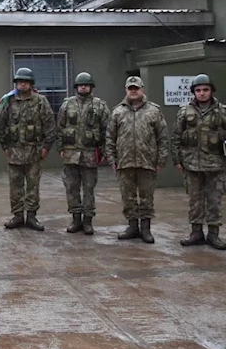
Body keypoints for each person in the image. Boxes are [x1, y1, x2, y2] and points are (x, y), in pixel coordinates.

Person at [106, 76, 168, 244]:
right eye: (130, 88)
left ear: (142, 89)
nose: (133, 91)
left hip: (147, 162)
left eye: (136, 88)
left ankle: (146, 229)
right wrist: (112, 160)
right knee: (128, 197)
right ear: (126, 90)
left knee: (147, 198)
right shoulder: (117, 112)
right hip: (124, 163)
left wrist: (161, 161)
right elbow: (110, 138)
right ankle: (132, 227)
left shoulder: (154, 111)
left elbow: (163, 137)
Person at [171, 74, 226, 250]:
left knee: (214, 200)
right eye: (198, 90)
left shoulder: (223, 112)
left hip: (216, 165)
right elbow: (176, 137)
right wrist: (177, 160)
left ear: (211, 91)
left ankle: (213, 234)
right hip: (192, 164)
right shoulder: (184, 111)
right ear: (194, 92)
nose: (202, 93)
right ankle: (196, 233)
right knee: (195, 200)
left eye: (205, 90)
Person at [0, 68, 56, 231]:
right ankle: (17, 216)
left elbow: (50, 124)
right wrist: (4, 146)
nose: (22, 84)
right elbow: (2, 125)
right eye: (19, 81)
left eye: (25, 81)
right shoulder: (9, 101)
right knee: (15, 187)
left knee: (33, 186)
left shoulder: (40, 101)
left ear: (31, 83)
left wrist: (46, 147)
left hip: (34, 152)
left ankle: (31, 216)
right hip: (14, 151)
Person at [56, 72, 110, 235]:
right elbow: (60, 127)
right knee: (71, 188)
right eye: (81, 85)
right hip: (71, 154)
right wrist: (60, 148)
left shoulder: (100, 106)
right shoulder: (67, 105)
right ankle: (75, 219)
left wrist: (105, 152)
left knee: (88, 189)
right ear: (76, 87)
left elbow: (107, 130)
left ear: (91, 87)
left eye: (86, 84)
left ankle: (87, 221)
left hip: (90, 154)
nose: (83, 87)